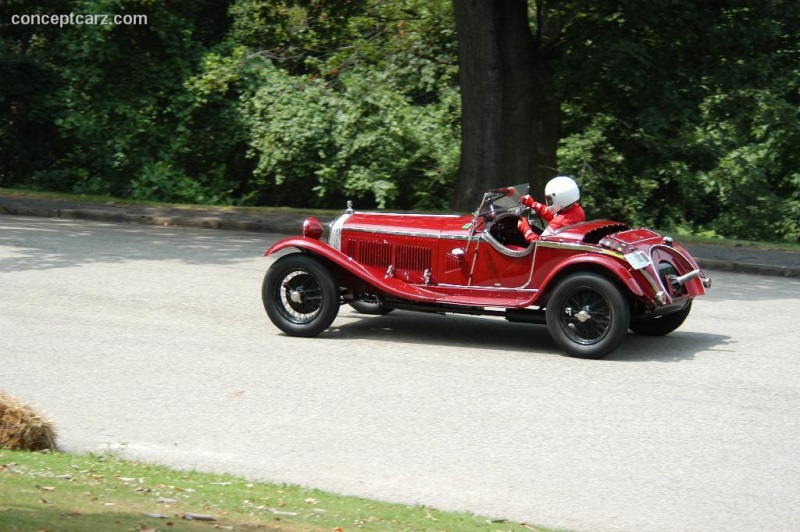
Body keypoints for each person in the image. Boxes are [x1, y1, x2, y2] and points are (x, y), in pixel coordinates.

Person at [518, 176, 586, 242]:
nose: (548, 201)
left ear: (561, 199)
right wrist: (532, 203)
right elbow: (552, 214)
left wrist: (525, 228)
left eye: (549, 199)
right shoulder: (577, 209)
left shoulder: (559, 223)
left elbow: (538, 244)